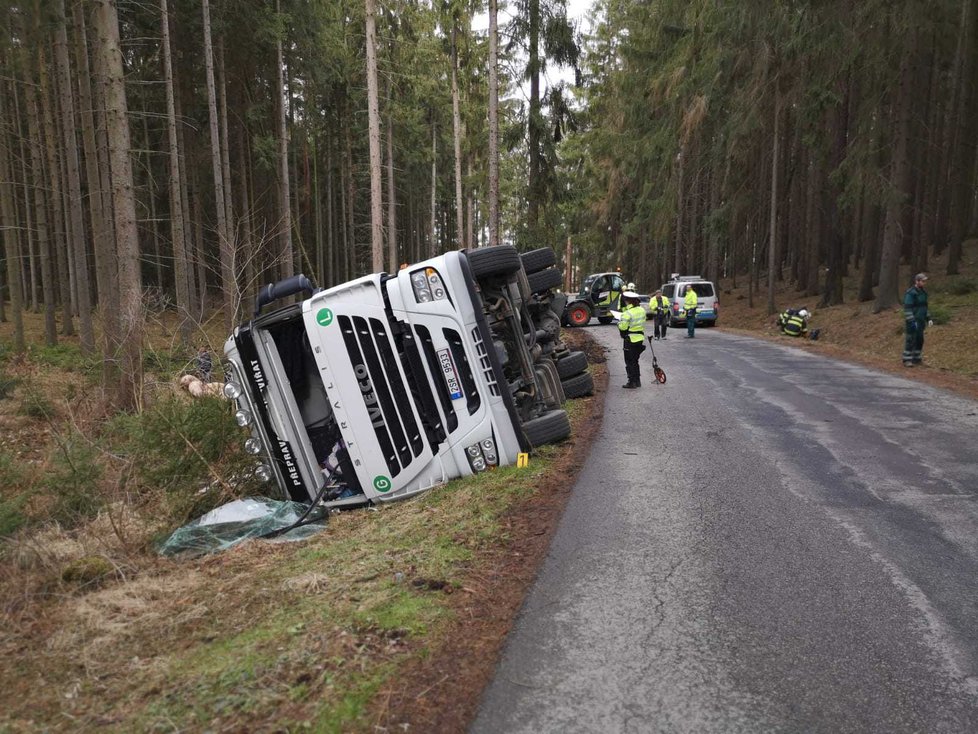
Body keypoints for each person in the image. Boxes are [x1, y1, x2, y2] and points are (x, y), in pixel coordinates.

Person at [618, 291, 647, 388]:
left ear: (628, 301)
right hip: (640, 338)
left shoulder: (627, 313)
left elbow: (623, 327)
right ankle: (638, 381)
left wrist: (619, 322)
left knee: (629, 361)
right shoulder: (642, 310)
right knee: (635, 360)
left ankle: (631, 382)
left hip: (630, 339)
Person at [903, 272, 930, 367]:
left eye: (925, 281)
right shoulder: (910, 293)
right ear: (917, 281)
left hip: (921, 321)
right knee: (910, 339)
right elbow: (907, 308)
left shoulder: (923, 293)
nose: (924, 283)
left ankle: (917, 358)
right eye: (922, 281)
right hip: (913, 321)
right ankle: (907, 359)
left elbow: (925, 307)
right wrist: (912, 321)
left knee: (920, 339)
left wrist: (928, 318)